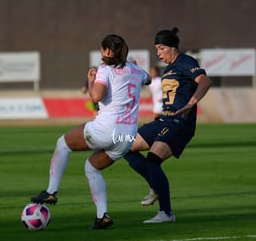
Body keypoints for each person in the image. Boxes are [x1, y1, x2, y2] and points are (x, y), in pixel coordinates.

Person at [31, 34, 151, 229]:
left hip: (105, 129)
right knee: (92, 168)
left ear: (107, 51)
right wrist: (133, 66)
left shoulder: (104, 70)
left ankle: (51, 191)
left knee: (63, 143)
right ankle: (102, 216)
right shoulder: (136, 70)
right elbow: (149, 79)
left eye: (102, 49)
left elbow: (96, 95)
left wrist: (90, 80)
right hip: (127, 136)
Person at [124, 27, 212, 223]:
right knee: (124, 146)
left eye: (161, 48)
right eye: (157, 49)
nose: (158, 53)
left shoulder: (186, 62)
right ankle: (156, 187)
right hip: (164, 120)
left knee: (153, 160)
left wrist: (191, 104)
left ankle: (166, 213)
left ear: (172, 47)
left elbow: (205, 81)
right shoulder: (169, 69)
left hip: (179, 123)